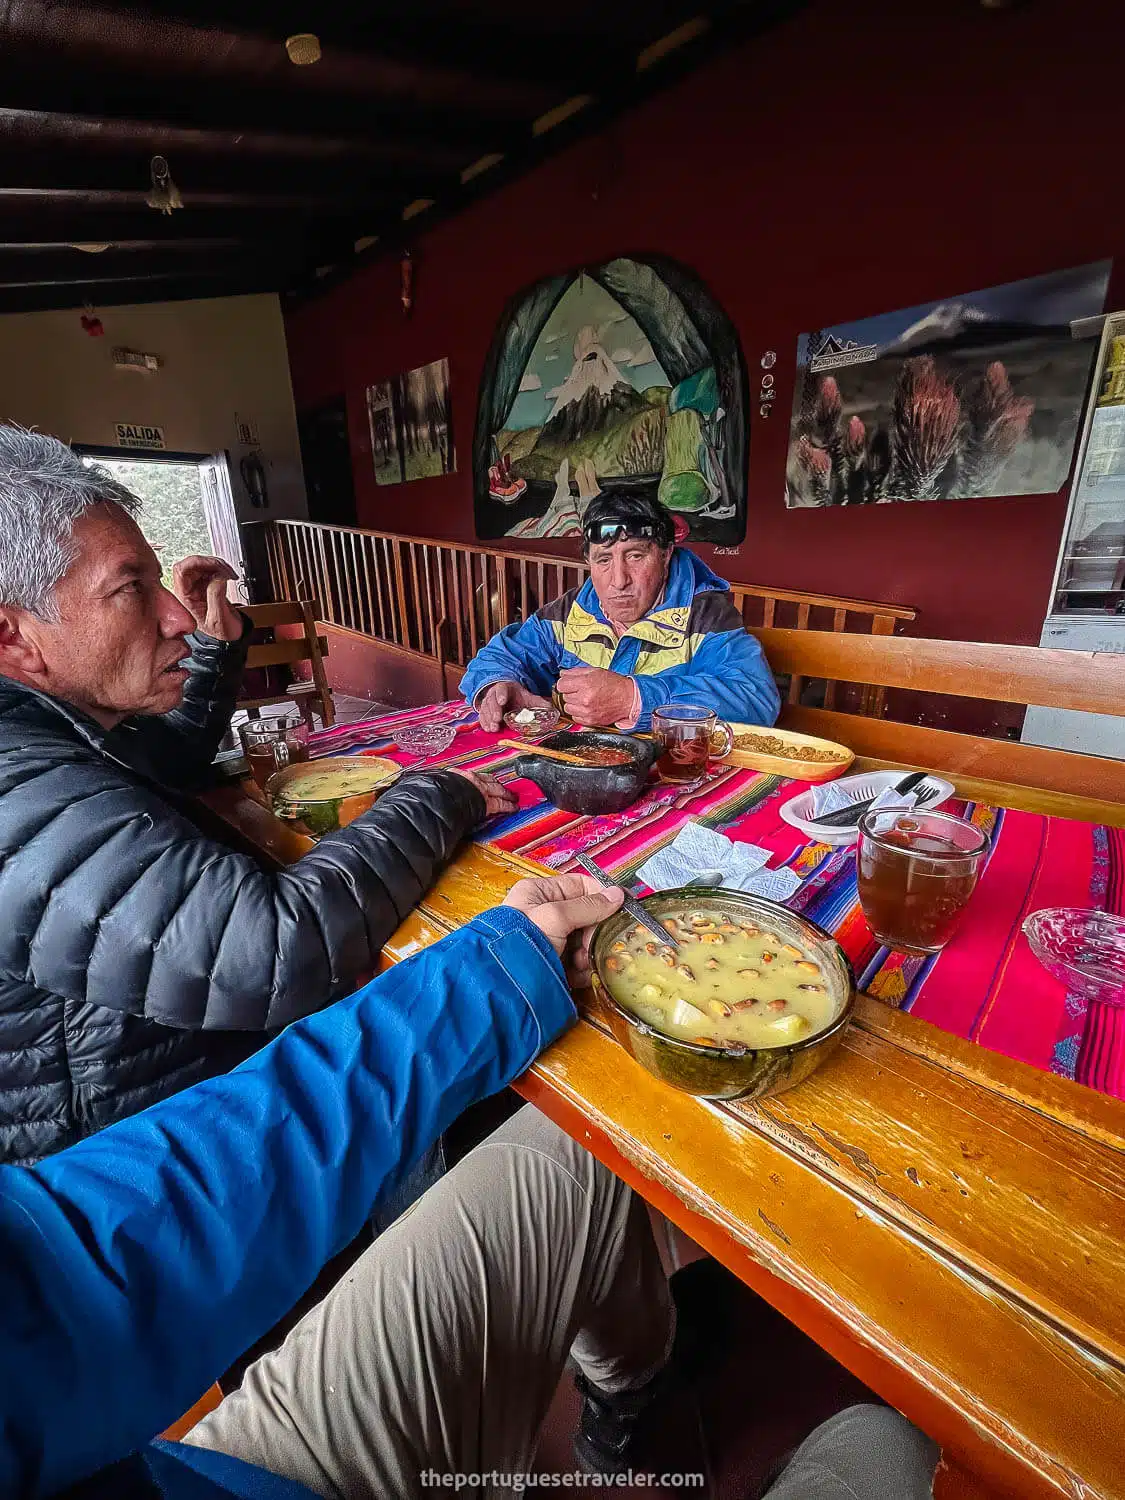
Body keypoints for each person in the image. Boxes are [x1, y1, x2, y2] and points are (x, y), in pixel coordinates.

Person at [0, 872, 940, 1500]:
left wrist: (503, 964)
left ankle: (622, 1395)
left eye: (634, 551)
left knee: (578, 1140)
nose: (618, 564)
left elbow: (84, 1261)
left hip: (199, 1475)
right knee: (890, 1443)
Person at [0, 427, 513, 1164]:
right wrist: (442, 794)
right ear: (13, 638)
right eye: (129, 589)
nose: (173, 614)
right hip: (162, 1165)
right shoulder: (12, 781)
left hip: (167, 1083)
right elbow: (271, 951)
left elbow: (165, 761)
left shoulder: (50, 726)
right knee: (495, 1000)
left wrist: (217, 643)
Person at [460, 490, 780, 733]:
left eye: (636, 556)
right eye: (603, 560)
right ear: (589, 563)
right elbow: (503, 654)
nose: (619, 580)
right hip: (584, 773)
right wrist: (498, 685)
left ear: (666, 555)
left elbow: (755, 697)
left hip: (672, 777)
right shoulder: (570, 611)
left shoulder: (706, 614)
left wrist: (634, 698)